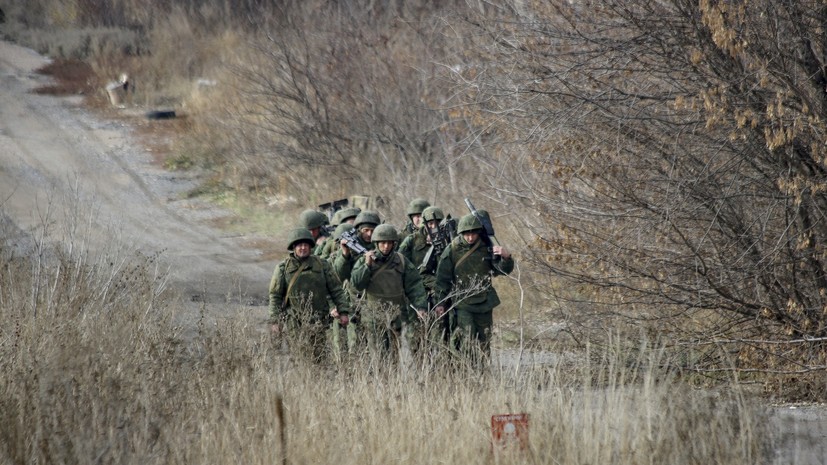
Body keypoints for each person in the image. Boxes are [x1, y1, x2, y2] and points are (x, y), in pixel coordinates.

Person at [433, 213, 514, 363]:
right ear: (461, 233)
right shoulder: (452, 250)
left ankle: (481, 373)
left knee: (484, 341)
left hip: (484, 301)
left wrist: (506, 257)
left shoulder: (487, 247)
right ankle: (465, 373)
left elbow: (501, 270)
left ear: (478, 232)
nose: (470, 237)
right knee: (467, 339)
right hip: (462, 302)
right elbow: (442, 279)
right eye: (467, 234)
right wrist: (441, 303)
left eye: (473, 233)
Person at [269, 228, 351, 362]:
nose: (303, 248)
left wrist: (343, 311)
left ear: (310, 246)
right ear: (294, 247)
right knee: (299, 357)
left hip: (319, 320)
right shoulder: (283, 268)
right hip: (294, 320)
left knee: (319, 358)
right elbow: (275, 296)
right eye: (300, 245)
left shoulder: (322, 265)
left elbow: (336, 289)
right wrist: (275, 321)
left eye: (306, 245)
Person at [350, 224, 428, 358]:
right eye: (382, 243)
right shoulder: (365, 259)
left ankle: (395, 379)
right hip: (374, 316)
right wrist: (367, 266)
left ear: (394, 244)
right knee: (379, 355)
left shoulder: (401, 261)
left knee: (398, 355)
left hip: (397, 316)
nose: (386, 246)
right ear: (376, 243)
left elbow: (415, 285)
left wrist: (420, 306)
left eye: (389, 243)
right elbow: (357, 283)